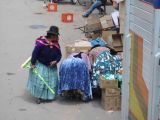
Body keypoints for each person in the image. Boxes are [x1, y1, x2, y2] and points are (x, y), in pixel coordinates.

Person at [27, 26, 62, 104]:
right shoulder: (41, 43)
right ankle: (39, 97)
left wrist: (56, 61)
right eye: (57, 36)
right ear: (52, 36)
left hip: (52, 67)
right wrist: (32, 63)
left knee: (50, 82)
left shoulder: (56, 44)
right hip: (42, 66)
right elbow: (35, 53)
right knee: (41, 82)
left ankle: (49, 96)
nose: (58, 37)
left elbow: (59, 55)